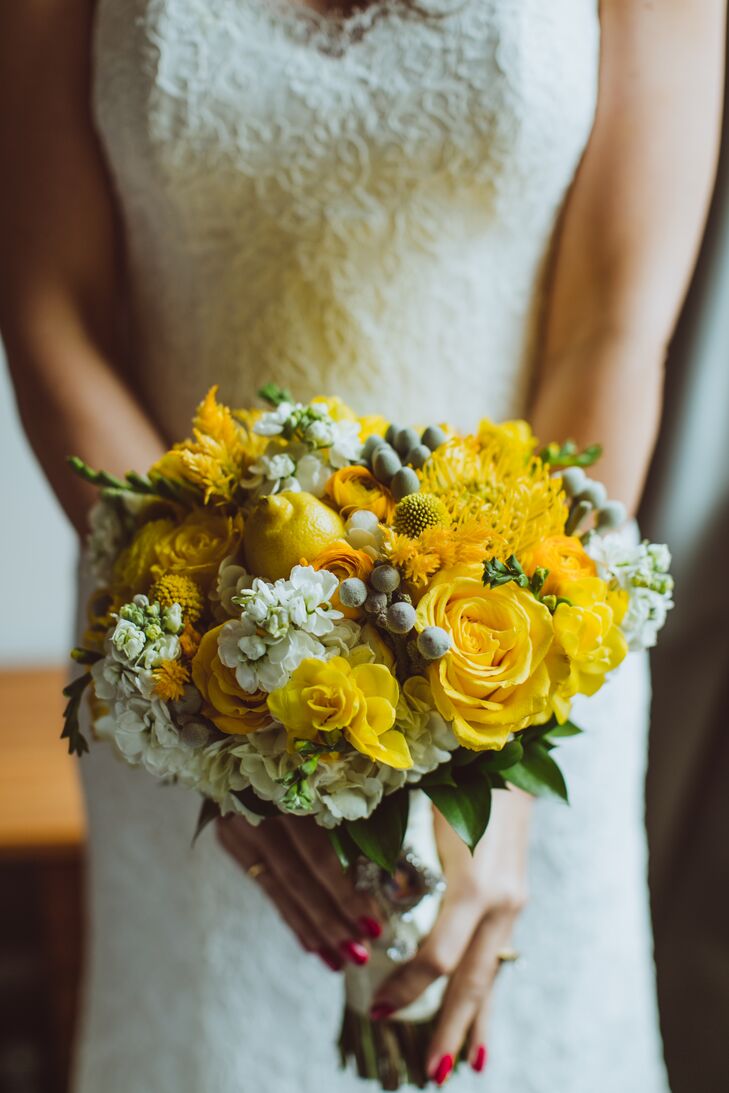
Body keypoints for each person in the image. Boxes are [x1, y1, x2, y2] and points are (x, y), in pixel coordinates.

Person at [0, 1, 723, 1090]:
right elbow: (51, 309)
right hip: (188, 658)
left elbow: (610, 332)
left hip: (521, 647)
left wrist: (500, 752)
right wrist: (208, 716)